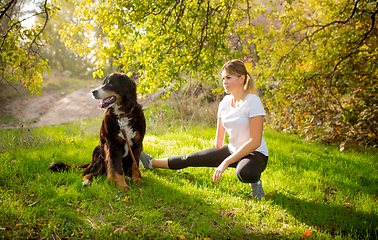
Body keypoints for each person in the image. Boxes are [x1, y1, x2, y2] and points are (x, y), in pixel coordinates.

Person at [140, 59, 268, 199]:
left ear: (242, 78)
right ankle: (151, 163)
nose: (224, 82)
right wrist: (210, 154)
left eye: (229, 78)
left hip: (255, 154)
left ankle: (255, 183)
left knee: (245, 172)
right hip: (233, 150)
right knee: (190, 158)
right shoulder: (225, 102)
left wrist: (226, 161)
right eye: (223, 78)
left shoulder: (253, 101)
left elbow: (255, 141)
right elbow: (219, 141)